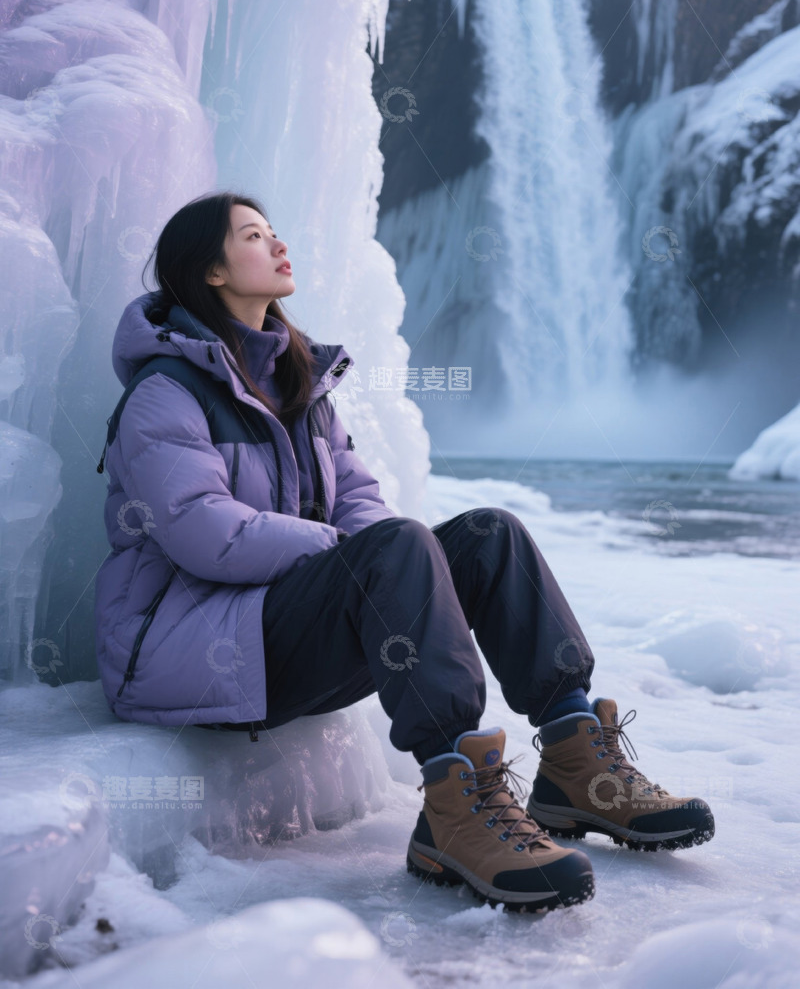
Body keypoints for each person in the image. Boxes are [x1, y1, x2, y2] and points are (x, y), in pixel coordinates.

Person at [95, 190, 715, 916]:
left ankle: (575, 759)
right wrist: (348, 551)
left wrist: (362, 549)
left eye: (275, 230)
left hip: (280, 624)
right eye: (256, 236)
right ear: (210, 272)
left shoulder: (301, 384)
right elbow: (205, 532)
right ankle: (455, 802)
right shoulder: (164, 392)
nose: (279, 245)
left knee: (490, 534)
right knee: (391, 547)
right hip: (192, 650)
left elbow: (361, 499)